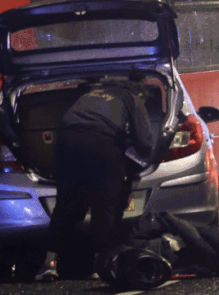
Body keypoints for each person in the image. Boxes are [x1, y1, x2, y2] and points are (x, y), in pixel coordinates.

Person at [36, 76, 154, 282]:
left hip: (67, 139)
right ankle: (101, 265)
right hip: (101, 140)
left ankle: (49, 263)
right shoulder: (131, 97)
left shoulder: (91, 94)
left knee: (65, 203)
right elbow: (145, 142)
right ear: (140, 93)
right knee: (105, 204)